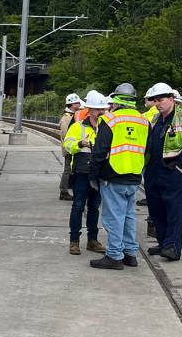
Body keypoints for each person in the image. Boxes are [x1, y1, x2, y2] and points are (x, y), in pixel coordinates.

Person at [89, 83, 148, 270]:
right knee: (129, 216)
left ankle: (114, 255)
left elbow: (99, 150)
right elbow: (150, 150)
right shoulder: (144, 121)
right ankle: (130, 254)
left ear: (115, 100)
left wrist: (93, 175)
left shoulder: (109, 119)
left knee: (113, 217)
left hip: (113, 176)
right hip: (134, 175)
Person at [143, 82, 182, 261]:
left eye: (161, 100)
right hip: (154, 171)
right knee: (156, 209)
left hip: (174, 172)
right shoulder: (155, 119)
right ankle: (163, 243)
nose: (158, 104)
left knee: (174, 210)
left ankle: (172, 247)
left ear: (171, 99)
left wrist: (180, 166)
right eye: (155, 101)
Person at [62, 92, 108, 255]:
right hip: (82, 172)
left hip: (99, 173)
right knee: (78, 206)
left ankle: (92, 241)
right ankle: (74, 241)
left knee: (94, 208)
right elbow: (67, 145)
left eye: (103, 109)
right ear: (89, 109)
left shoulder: (107, 127)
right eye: (98, 109)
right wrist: (79, 143)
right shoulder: (78, 126)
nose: (101, 112)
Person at [59, 93, 82, 201]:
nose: (79, 104)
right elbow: (65, 134)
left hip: (72, 147)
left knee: (70, 169)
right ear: (72, 104)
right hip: (69, 148)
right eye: (77, 102)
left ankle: (67, 189)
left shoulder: (72, 116)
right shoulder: (66, 118)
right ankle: (63, 191)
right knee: (67, 170)